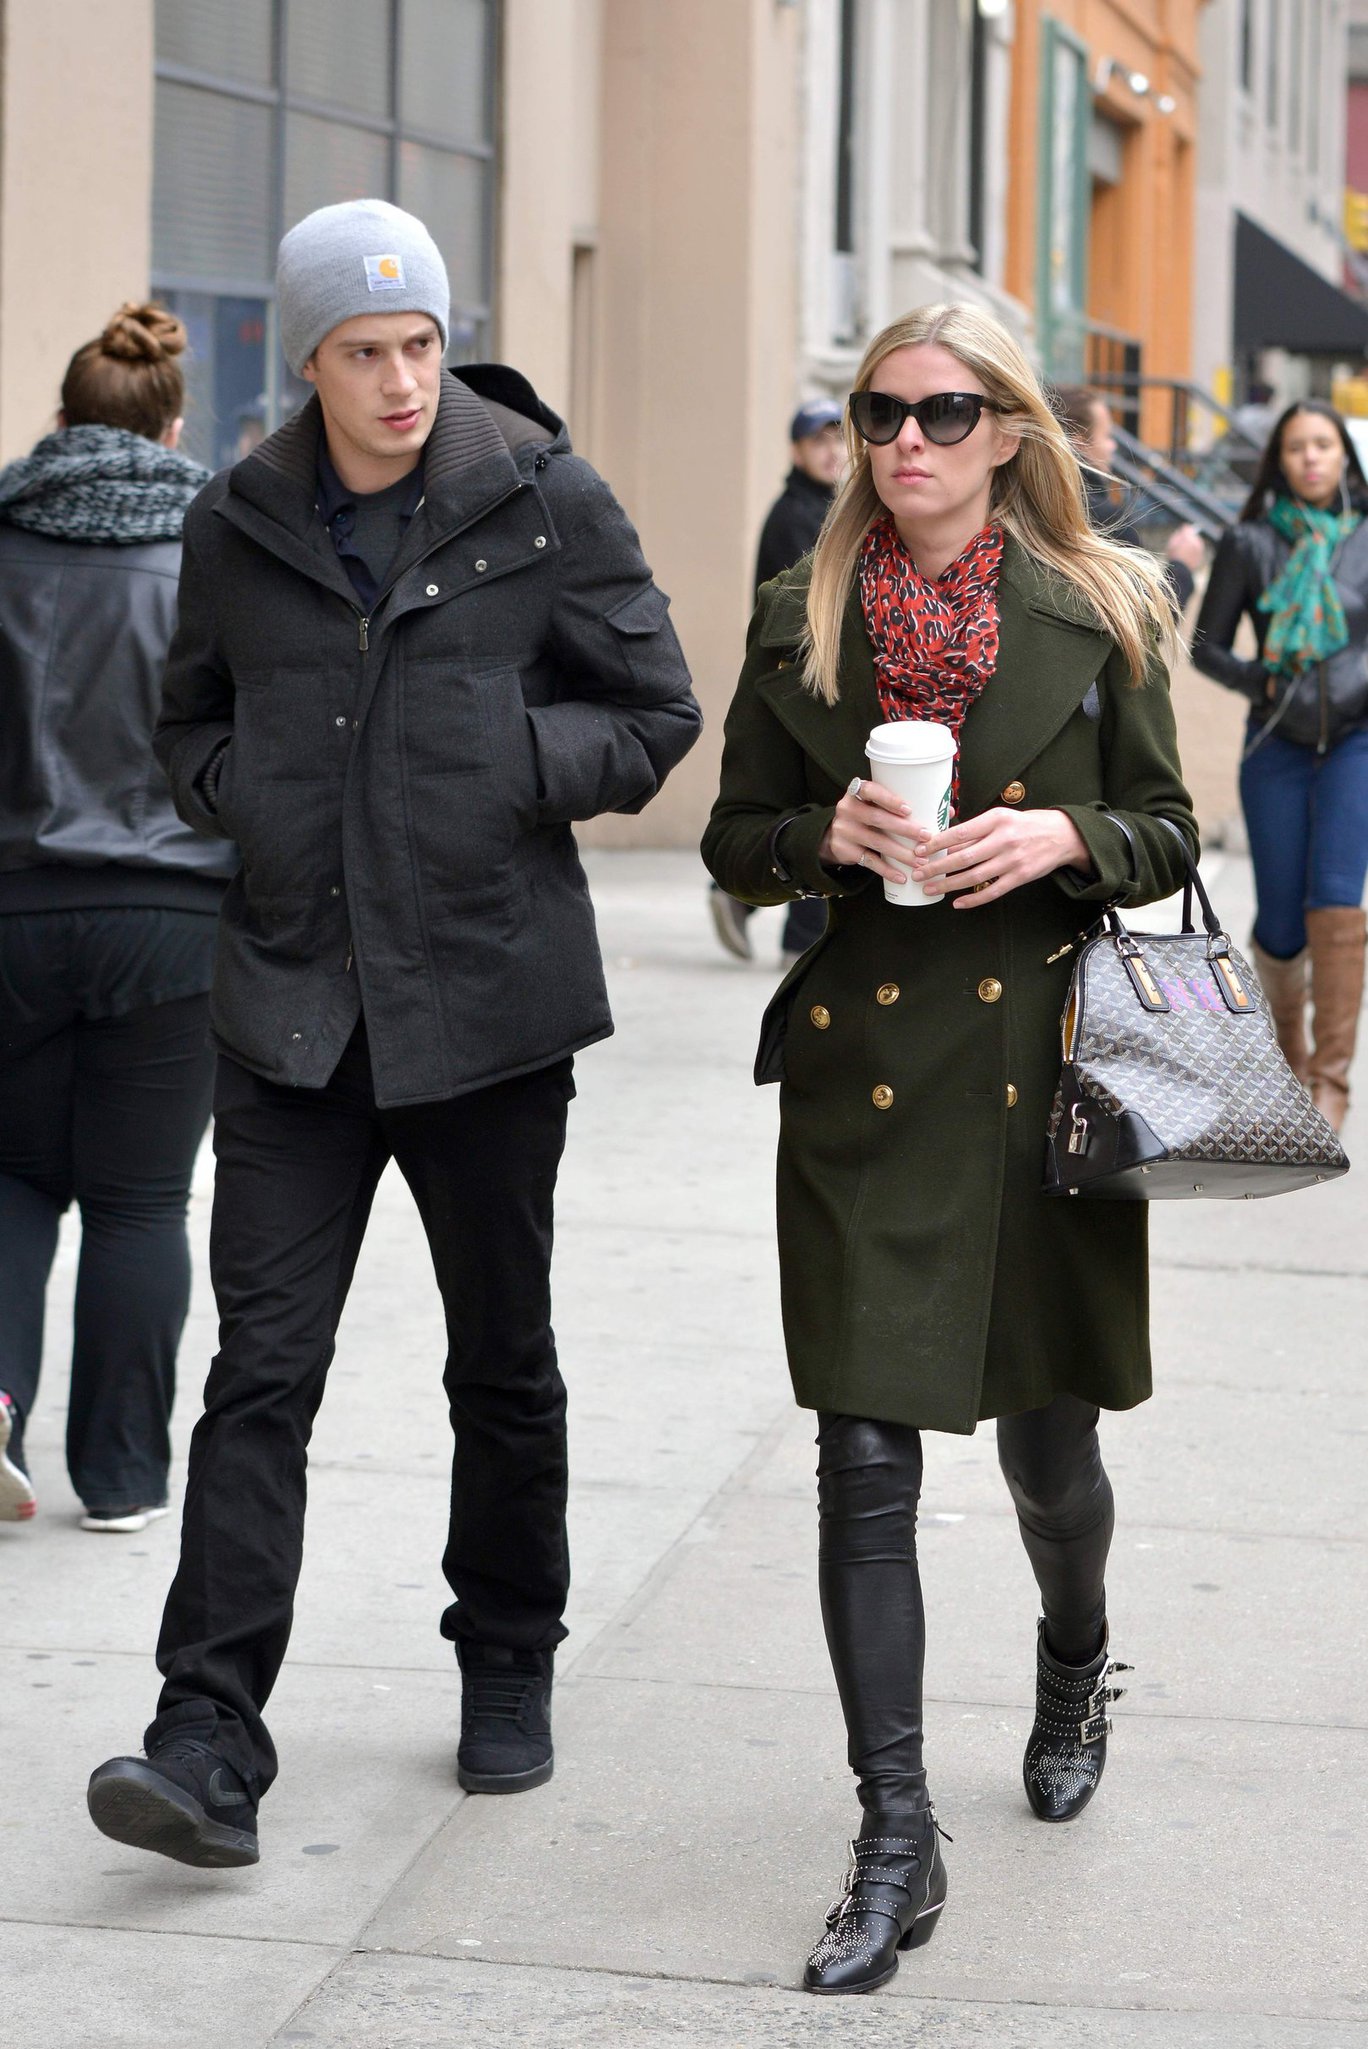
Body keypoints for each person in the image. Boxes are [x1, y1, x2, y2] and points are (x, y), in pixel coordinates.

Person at [86, 199, 700, 1869]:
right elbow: (186, 722)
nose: (402, 379)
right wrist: (258, 801)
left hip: (487, 1006)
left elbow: (655, 708)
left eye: (421, 343)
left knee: (499, 1358)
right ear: (309, 360)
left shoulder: (541, 495)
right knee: (259, 1374)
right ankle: (205, 1731)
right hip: (292, 1013)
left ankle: (506, 1652)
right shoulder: (238, 520)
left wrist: (509, 759)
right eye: (365, 351)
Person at [703, 302, 1195, 1996]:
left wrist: (1065, 834)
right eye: (878, 413)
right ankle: (894, 1837)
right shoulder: (801, 609)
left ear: (1006, 431)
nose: (905, 441)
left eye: (942, 411)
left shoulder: (1103, 607)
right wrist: (817, 836)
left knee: (1051, 1459)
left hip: (1041, 1085)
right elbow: (732, 833)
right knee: (861, 1462)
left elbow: (1168, 830)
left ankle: (1073, 1656)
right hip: (865, 1084)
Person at [0, 303, 228, 1533]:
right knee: (140, 1202)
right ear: (174, 428)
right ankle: (125, 1478)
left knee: (12, 1178)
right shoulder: (219, 552)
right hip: (174, 914)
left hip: (13, 910)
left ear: (60, 420)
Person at [1191, 400, 1368, 1131]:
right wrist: (1259, 682)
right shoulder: (1250, 542)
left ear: (1344, 456)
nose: (1311, 458)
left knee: (1337, 900)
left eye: (1324, 444)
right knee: (1282, 921)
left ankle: (1331, 1081)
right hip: (1275, 745)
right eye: (1297, 447)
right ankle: (1289, 1066)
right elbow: (1205, 644)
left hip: (1355, 743)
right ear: (1280, 462)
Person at [710, 400, 846, 969]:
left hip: (813, 678)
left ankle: (742, 900)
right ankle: (797, 936)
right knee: (826, 805)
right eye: (819, 442)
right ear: (796, 451)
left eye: (838, 439)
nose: (832, 451)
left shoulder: (828, 508)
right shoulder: (797, 516)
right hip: (803, 682)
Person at [1052, 385, 1205, 611]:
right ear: (1079, 443)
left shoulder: (1024, 502)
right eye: (1107, 436)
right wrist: (1181, 566)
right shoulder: (1108, 521)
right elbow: (1147, 618)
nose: (1113, 446)